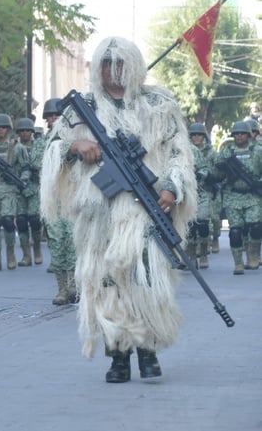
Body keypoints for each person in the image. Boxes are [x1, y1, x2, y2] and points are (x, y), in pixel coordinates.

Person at [40, 36, 196, 383]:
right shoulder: (82, 108)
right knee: (106, 284)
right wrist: (75, 145)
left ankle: (148, 350)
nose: (113, 71)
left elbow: (178, 153)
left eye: (120, 63)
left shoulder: (158, 104)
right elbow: (51, 148)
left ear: (134, 65)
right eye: (106, 64)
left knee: (145, 279)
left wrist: (171, 188)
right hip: (97, 215)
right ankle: (118, 357)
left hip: (145, 207)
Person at [38, 98, 77, 305]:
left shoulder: (76, 138)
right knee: (56, 243)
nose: (53, 119)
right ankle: (61, 288)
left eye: (56, 115)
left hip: (72, 196)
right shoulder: (41, 142)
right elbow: (38, 161)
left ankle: (74, 285)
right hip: (53, 199)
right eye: (49, 116)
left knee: (73, 242)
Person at [213, 120, 262, 274]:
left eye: (242, 133)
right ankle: (238, 262)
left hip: (253, 195)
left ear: (248, 135)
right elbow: (218, 175)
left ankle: (252, 255)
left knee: (255, 227)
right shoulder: (227, 152)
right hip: (232, 195)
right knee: (235, 231)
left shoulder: (258, 151)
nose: (239, 136)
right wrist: (219, 169)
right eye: (236, 134)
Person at [0, 113, 28, 271]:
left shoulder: (17, 147)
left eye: (3, 127)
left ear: (8, 129)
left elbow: (26, 167)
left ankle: (10, 254)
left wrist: (22, 179)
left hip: (9, 188)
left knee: (8, 222)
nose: (0, 130)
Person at [13, 117, 43, 267]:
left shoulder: (38, 146)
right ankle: (26, 255)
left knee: (35, 220)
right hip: (18, 188)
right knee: (22, 221)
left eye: (27, 130)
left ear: (31, 131)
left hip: (34, 187)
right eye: (22, 130)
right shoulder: (15, 147)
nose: (25, 133)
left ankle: (37, 250)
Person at [188, 123, 217, 269]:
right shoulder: (183, 150)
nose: (196, 137)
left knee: (203, 225)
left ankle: (204, 254)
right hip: (186, 194)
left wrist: (201, 175)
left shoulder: (197, 151)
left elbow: (205, 168)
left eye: (198, 134)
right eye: (193, 135)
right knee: (189, 227)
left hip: (202, 192)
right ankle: (192, 256)